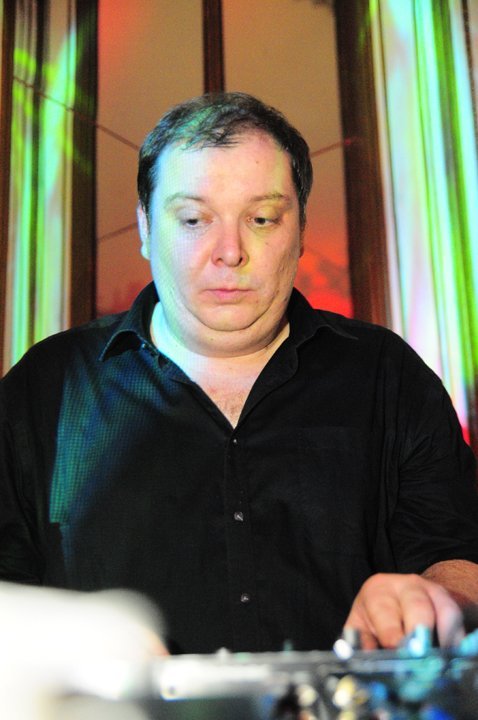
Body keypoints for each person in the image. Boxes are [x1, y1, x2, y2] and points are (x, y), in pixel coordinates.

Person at [1, 92, 478, 656]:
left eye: (261, 219)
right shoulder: (45, 390)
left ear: (300, 229)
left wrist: (432, 599)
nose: (229, 252)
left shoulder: (388, 376)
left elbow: (459, 556)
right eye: (193, 219)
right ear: (145, 227)